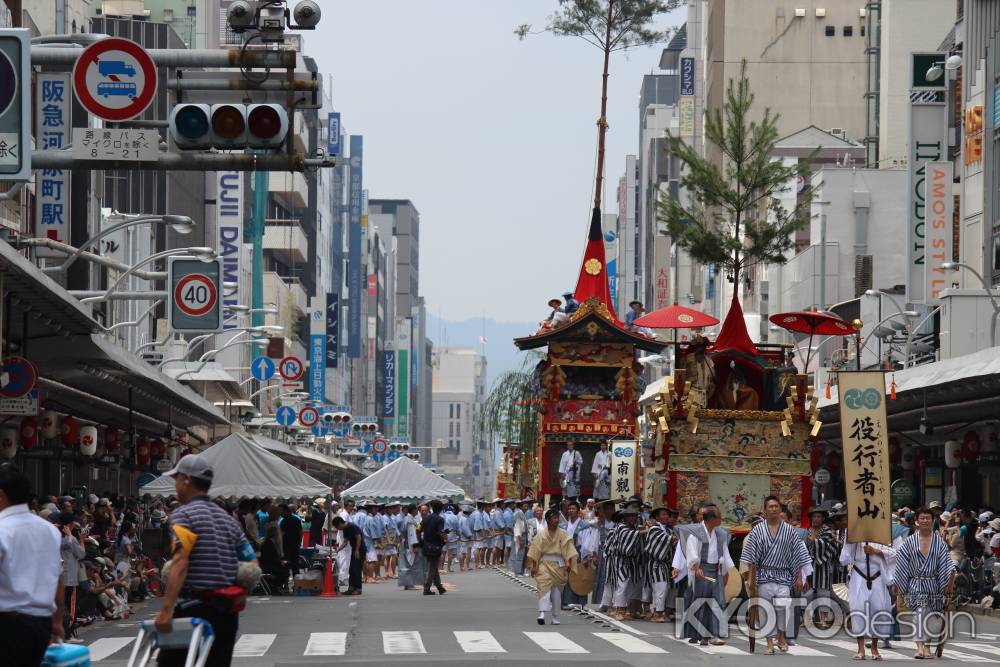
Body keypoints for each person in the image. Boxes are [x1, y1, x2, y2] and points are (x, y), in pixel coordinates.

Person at [154, 454, 257, 667]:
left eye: (176, 479)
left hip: (195, 610)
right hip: (227, 614)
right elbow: (253, 565)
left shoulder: (184, 516)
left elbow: (181, 561)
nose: (176, 486)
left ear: (186, 480)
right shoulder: (228, 521)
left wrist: (166, 610)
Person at [0, 464, 65, 667]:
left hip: (7, 625)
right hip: (40, 623)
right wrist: (56, 622)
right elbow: (58, 580)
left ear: (1, 495)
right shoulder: (50, 530)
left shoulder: (2, 530)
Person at [740, 495, 812, 655]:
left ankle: (781, 636)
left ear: (780, 509)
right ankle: (769, 643)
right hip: (764, 574)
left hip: (783, 575)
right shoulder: (758, 530)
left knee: (783, 608)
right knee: (766, 610)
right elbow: (751, 557)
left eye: (776, 506)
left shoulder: (789, 530)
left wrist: (800, 576)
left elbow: (798, 554)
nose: (773, 509)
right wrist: (751, 578)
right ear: (765, 510)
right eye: (770, 507)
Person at [894, 506, 956, 659]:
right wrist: (898, 583)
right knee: (920, 614)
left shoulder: (939, 542)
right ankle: (920, 647)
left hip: (934, 583)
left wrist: (950, 579)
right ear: (916, 521)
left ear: (932, 520)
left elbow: (946, 563)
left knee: (933, 616)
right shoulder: (909, 541)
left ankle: (927, 646)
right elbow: (902, 563)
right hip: (916, 583)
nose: (925, 521)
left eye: (928, 518)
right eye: (922, 518)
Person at [840, 537, 895, 660]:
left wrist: (876, 551)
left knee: (878, 610)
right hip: (859, 576)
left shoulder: (881, 532)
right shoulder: (855, 534)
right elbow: (844, 559)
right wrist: (850, 540)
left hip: (877, 577)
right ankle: (861, 648)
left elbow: (894, 553)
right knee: (858, 610)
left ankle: (874, 647)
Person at [527, 507, 578, 625]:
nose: (557, 520)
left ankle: (555, 616)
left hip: (559, 565)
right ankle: (542, 613)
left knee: (556, 593)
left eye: (557, 517)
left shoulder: (563, 534)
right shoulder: (541, 534)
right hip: (544, 564)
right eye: (554, 518)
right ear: (548, 520)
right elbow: (535, 550)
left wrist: (569, 562)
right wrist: (534, 566)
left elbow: (569, 549)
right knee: (544, 588)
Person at [804, 507, 838, 629]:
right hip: (809, 565)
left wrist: (816, 541)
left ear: (823, 518)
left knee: (823, 594)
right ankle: (808, 619)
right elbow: (805, 547)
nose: (816, 519)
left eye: (819, 516)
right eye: (814, 516)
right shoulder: (808, 531)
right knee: (808, 594)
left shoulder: (827, 531)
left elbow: (827, 545)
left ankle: (823, 620)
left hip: (823, 566)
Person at [644, 506, 679, 623]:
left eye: (667, 514)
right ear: (657, 517)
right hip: (656, 563)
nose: (666, 517)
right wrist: (673, 538)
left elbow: (674, 543)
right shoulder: (654, 529)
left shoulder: (669, 530)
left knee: (663, 588)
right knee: (660, 587)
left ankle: (657, 612)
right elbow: (664, 539)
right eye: (663, 514)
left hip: (666, 564)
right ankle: (658, 613)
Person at [608, 507, 643, 621]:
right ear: (625, 517)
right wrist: (644, 531)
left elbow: (635, 535)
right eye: (632, 516)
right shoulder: (621, 527)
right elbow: (629, 535)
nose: (634, 518)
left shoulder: (634, 528)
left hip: (632, 561)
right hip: (621, 560)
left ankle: (625, 609)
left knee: (630, 586)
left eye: (635, 516)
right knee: (622, 584)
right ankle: (619, 609)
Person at [331, 516, 364, 595]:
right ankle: (351, 588)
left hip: (360, 549)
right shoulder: (345, 529)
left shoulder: (352, 526)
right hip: (354, 549)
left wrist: (357, 550)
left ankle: (358, 589)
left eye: (336, 527)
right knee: (351, 569)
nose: (337, 529)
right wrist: (337, 550)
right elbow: (345, 542)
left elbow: (358, 537)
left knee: (357, 569)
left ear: (339, 524)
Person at [421, 500, 448, 595]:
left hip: (426, 545)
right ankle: (426, 588)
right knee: (432, 568)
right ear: (441, 509)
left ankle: (439, 587)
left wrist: (420, 541)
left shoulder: (425, 519)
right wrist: (445, 538)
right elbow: (440, 532)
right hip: (435, 546)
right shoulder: (440, 519)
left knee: (434, 567)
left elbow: (418, 530)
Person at [683, 335, 716, 408]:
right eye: (699, 346)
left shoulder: (709, 361)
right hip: (691, 396)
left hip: (705, 397)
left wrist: (711, 389)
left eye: (703, 346)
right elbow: (683, 378)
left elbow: (713, 379)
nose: (701, 349)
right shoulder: (689, 360)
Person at [260, 524, 290, 592]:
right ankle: (276, 586)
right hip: (268, 566)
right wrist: (280, 562)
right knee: (284, 571)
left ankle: (280, 586)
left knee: (286, 566)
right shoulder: (268, 543)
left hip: (271, 563)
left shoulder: (271, 542)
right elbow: (270, 557)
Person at [279, 504, 302, 577]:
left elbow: (281, 534)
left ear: (285, 511)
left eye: (281, 512)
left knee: (286, 565)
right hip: (295, 546)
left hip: (287, 546)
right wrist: (299, 543)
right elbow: (301, 532)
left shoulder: (284, 521)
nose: (280, 513)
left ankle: (286, 584)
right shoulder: (296, 519)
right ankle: (297, 583)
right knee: (295, 566)